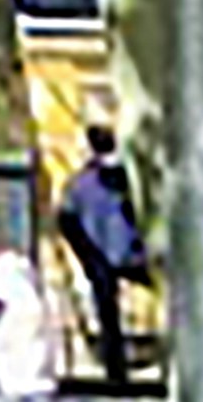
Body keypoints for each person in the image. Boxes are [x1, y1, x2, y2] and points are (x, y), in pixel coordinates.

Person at [54, 125, 151, 386]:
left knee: (108, 313)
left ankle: (115, 370)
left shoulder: (80, 182)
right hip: (129, 251)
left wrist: (86, 255)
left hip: (105, 253)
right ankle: (118, 369)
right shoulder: (129, 176)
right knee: (112, 311)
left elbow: (65, 219)